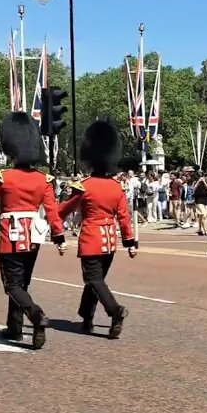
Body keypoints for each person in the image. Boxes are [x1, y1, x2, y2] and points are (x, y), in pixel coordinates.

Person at [0, 112, 67, 348]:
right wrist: (59, 236)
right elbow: (52, 211)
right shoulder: (43, 180)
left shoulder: (5, 178)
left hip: (11, 235)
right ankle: (14, 327)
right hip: (33, 236)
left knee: (12, 285)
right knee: (21, 284)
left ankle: (36, 315)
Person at [59, 120, 136, 338]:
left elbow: (64, 210)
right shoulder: (116, 187)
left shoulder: (84, 186)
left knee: (93, 280)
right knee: (95, 281)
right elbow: (123, 217)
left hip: (91, 239)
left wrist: (50, 217)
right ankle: (87, 317)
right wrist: (129, 243)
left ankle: (115, 310)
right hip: (110, 241)